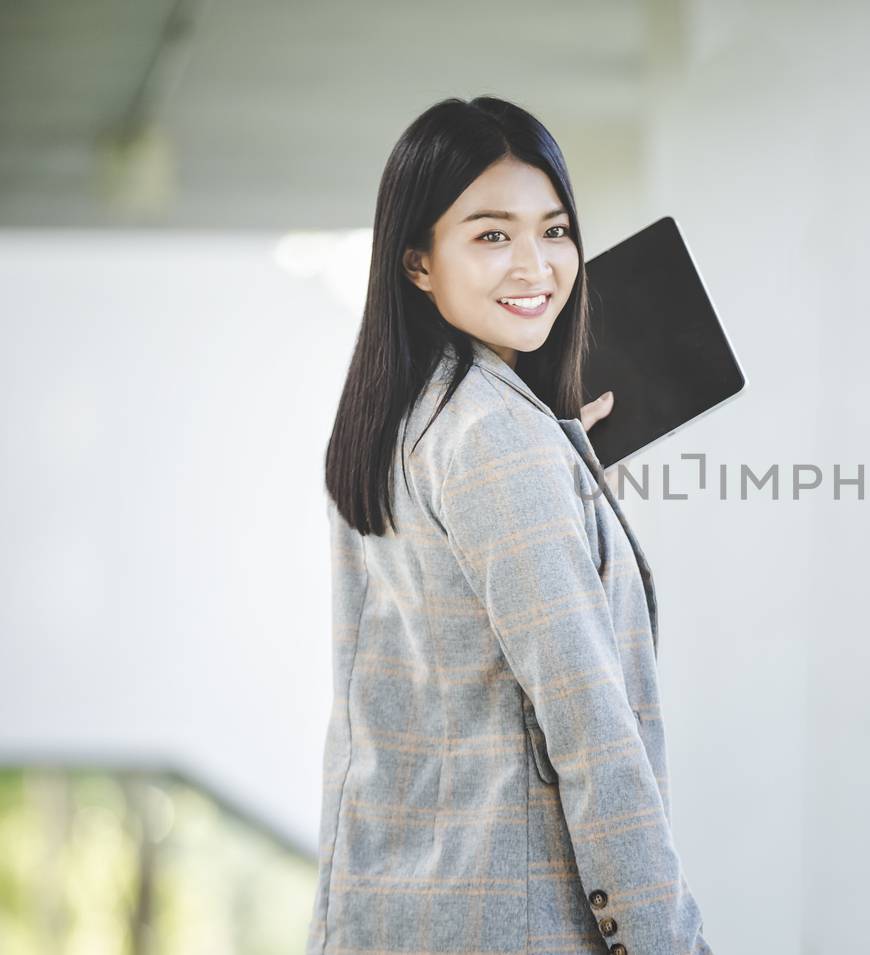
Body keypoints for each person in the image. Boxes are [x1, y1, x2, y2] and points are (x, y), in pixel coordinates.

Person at [307, 95, 713, 955]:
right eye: (492, 235)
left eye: (555, 230)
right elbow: (591, 729)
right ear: (417, 261)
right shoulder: (496, 436)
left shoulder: (399, 417)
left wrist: (563, 469)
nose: (536, 266)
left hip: (387, 911)